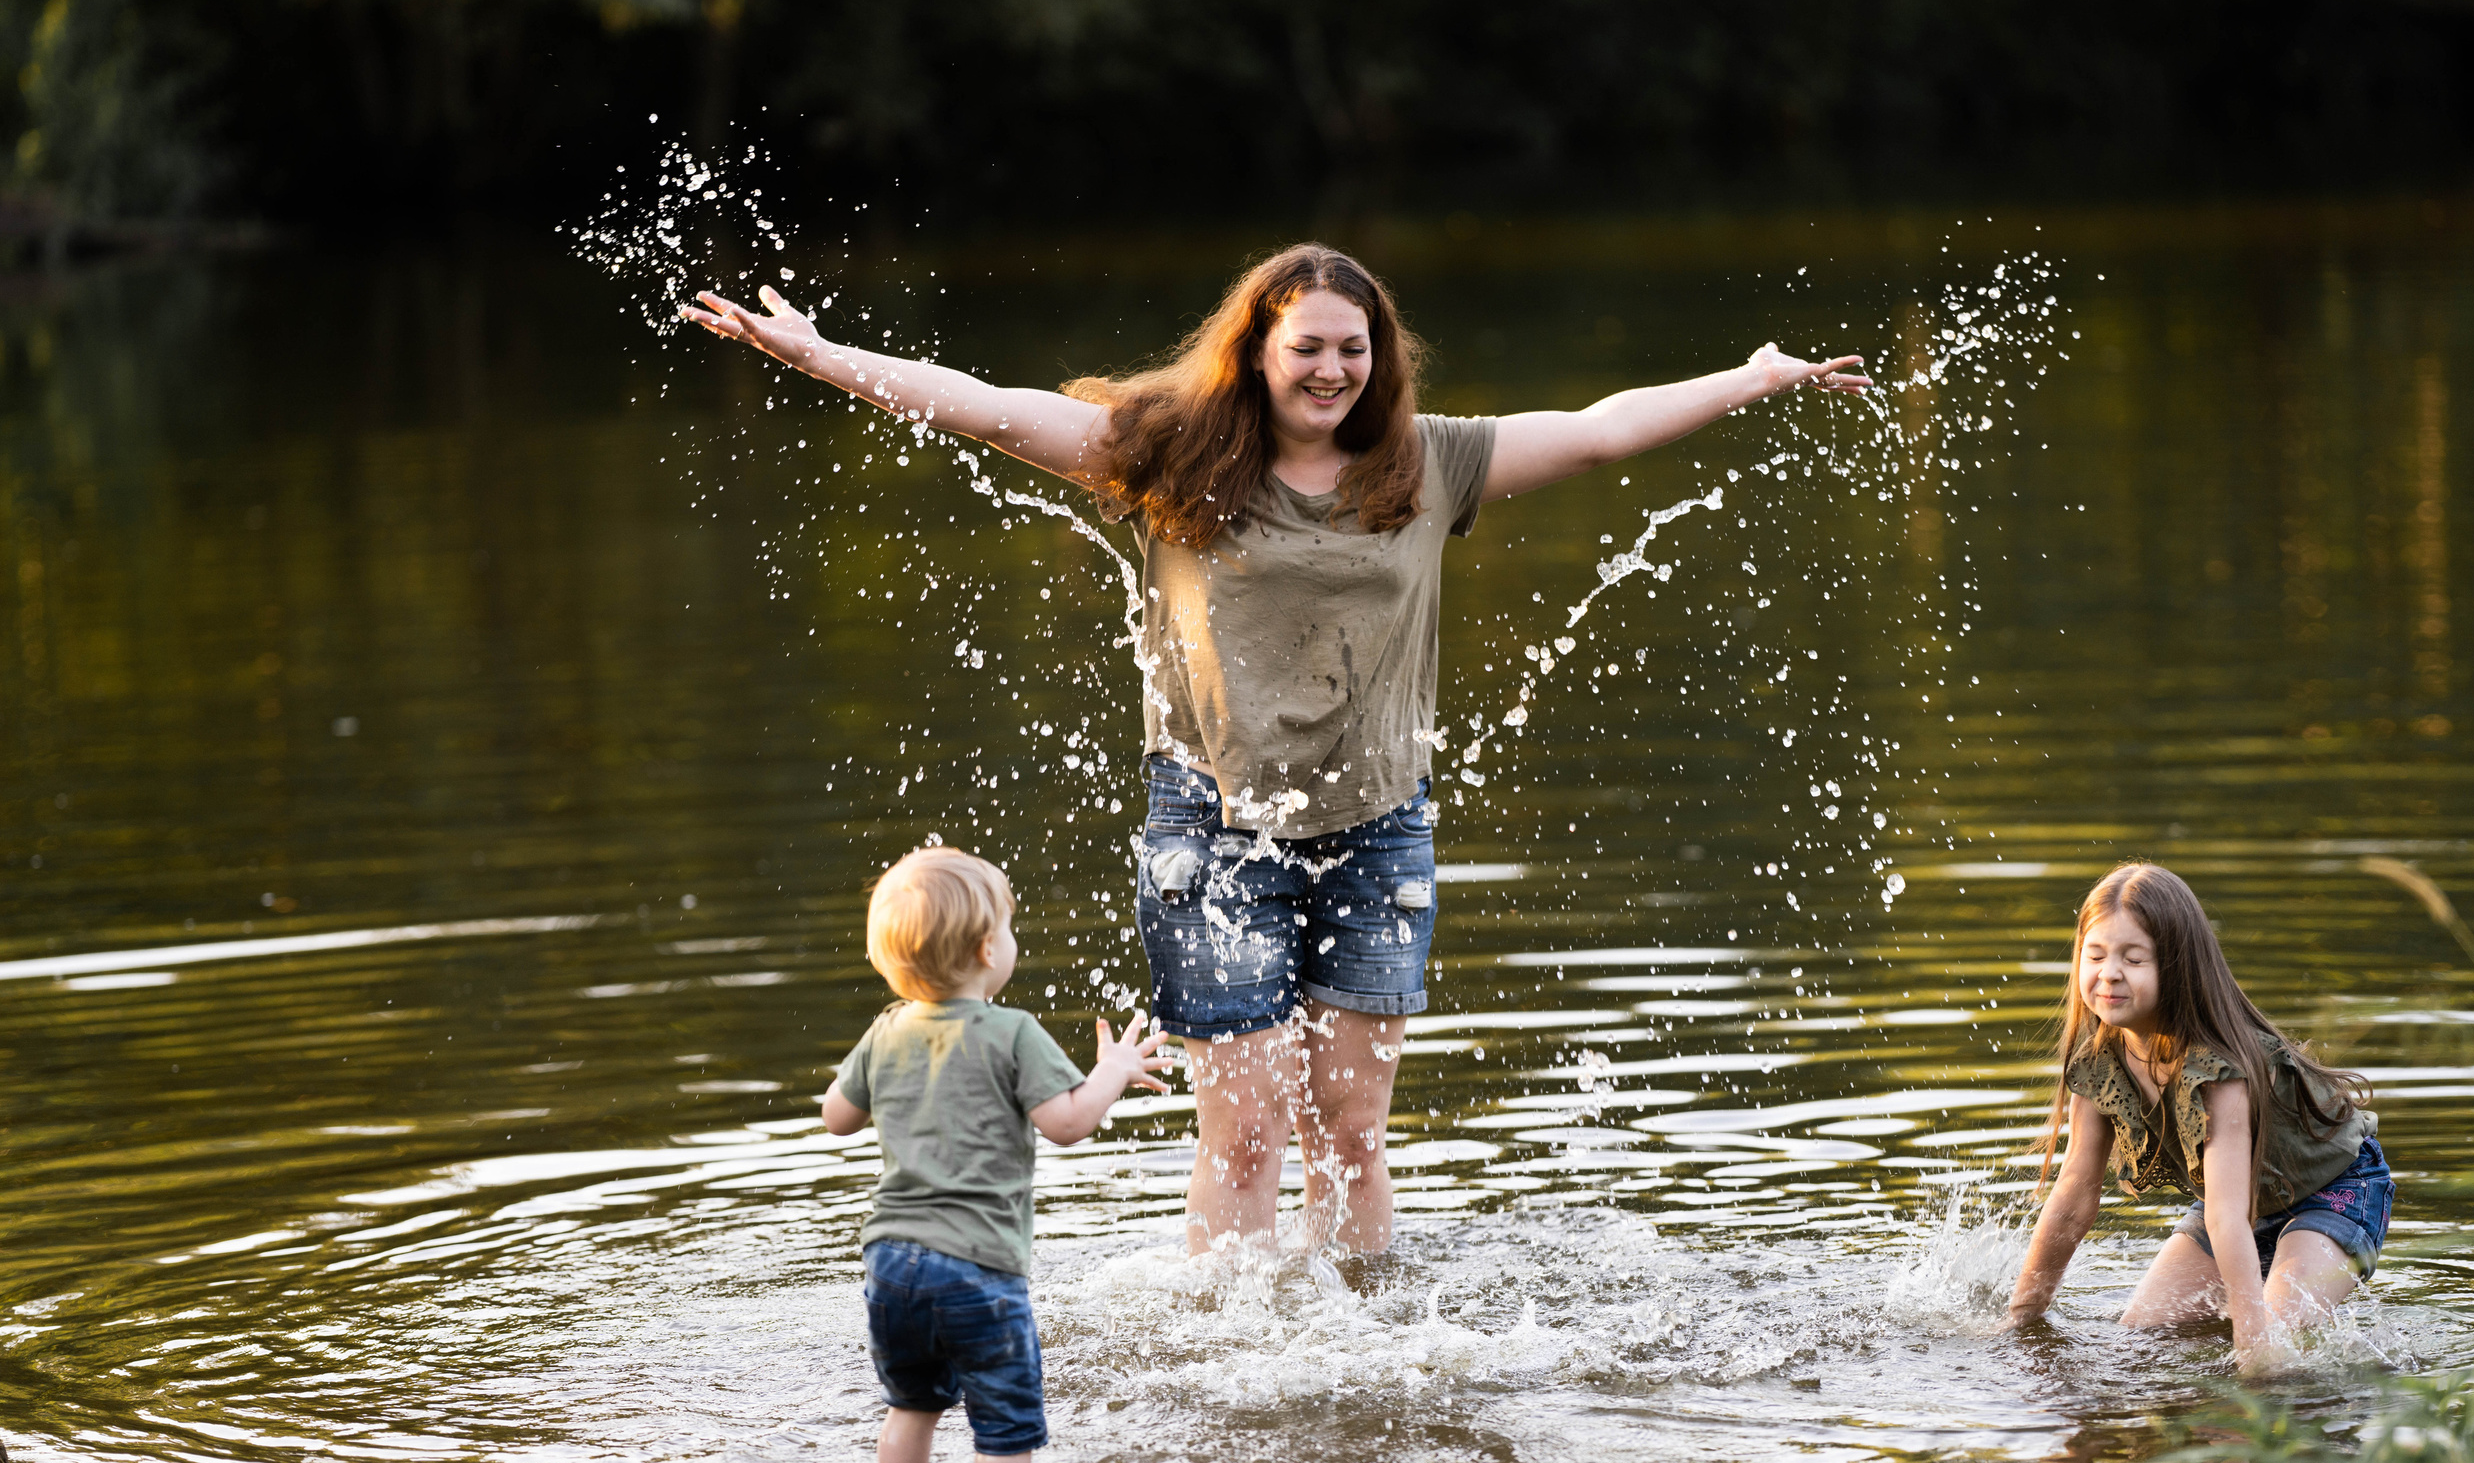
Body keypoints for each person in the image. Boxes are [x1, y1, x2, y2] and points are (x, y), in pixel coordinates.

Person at [688, 243, 1870, 1257]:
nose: (1331, 369)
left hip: (1379, 828)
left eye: (1352, 348)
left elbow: (1602, 433)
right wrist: (819, 356)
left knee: (1352, 1134)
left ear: (1379, 355)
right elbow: (985, 405)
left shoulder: (1428, 462)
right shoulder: (1167, 454)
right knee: (1244, 1133)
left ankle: (1351, 1347)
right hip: (1209, 830)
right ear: (1258, 350)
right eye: (1307, 346)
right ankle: (1229, 1354)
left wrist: (1751, 379)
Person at [822, 846, 1170, 1463]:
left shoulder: (885, 1032)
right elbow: (1067, 1125)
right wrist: (1112, 1072)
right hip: (978, 1266)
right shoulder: (1012, 1032)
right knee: (1004, 1423)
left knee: (911, 1407)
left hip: (892, 1263)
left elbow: (837, 1118)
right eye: (1008, 929)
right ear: (987, 950)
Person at [2002, 862, 2394, 1374]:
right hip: (2237, 1203)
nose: (2109, 973)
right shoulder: (2099, 1063)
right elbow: (2074, 1197)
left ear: (2178, 968)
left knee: (2270, 1342)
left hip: (2334, 1191)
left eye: (2133, 958)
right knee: (2141, 1334)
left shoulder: (2220, 1070)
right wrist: (2021, 1319)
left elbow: (2227, 1218)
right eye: (2094, 955)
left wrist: (2253, 1355)